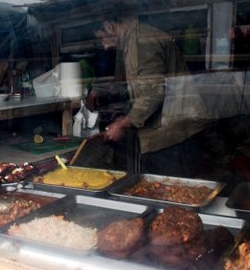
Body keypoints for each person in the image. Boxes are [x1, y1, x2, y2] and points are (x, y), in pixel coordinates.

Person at [90, 11, 214, 177]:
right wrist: (100, 91)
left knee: (173, 192)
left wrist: (122, 124)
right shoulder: (131, 41)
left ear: (109, 26)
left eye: (102, 39)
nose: (105, 46)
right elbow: (127, 83)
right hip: (169, 131)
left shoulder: (141, 42)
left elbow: (152, 93)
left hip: (174, 134)